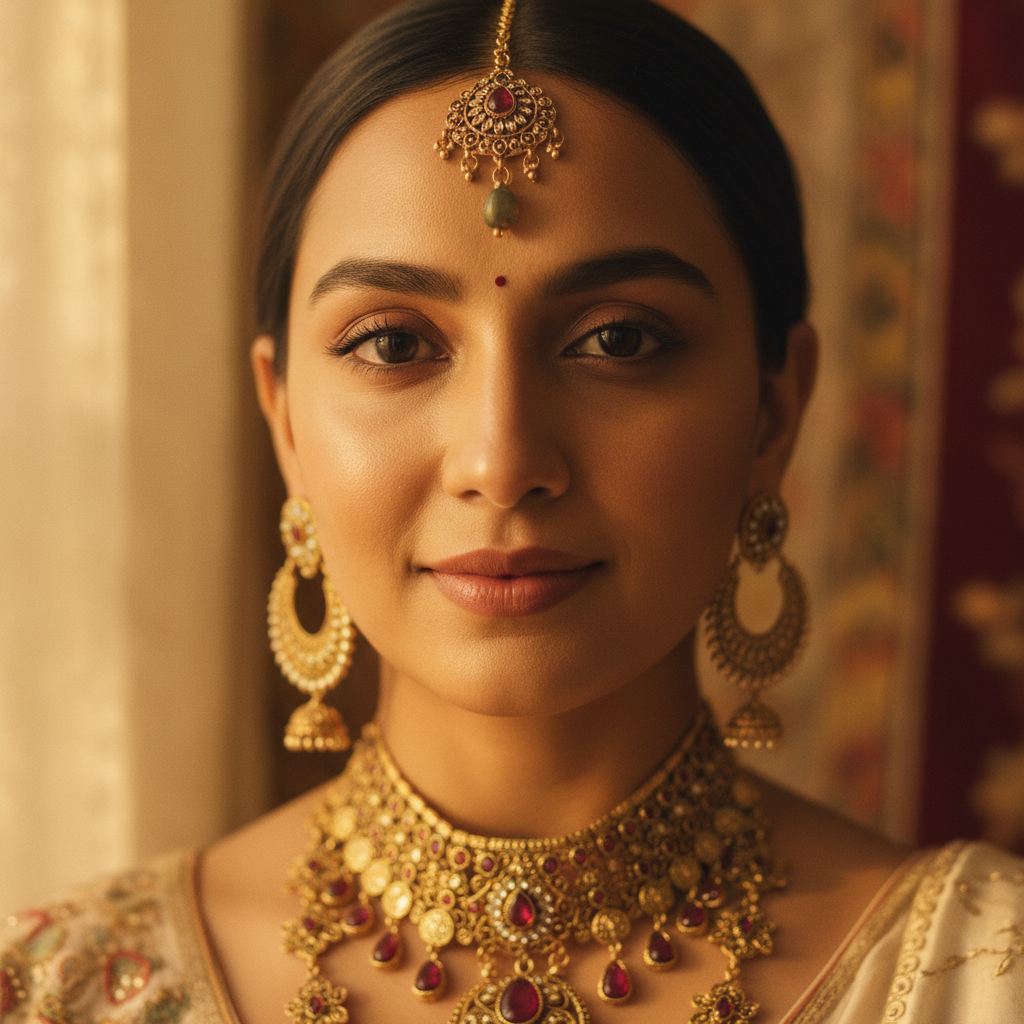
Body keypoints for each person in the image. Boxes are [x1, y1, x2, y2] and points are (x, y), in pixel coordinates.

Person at [3, 1, 1023, 1022]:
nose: (501, 461)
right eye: (394, 345)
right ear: (286, 425)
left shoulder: (983, 974)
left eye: (617, 340)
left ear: (772, 409)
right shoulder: (58, 990)